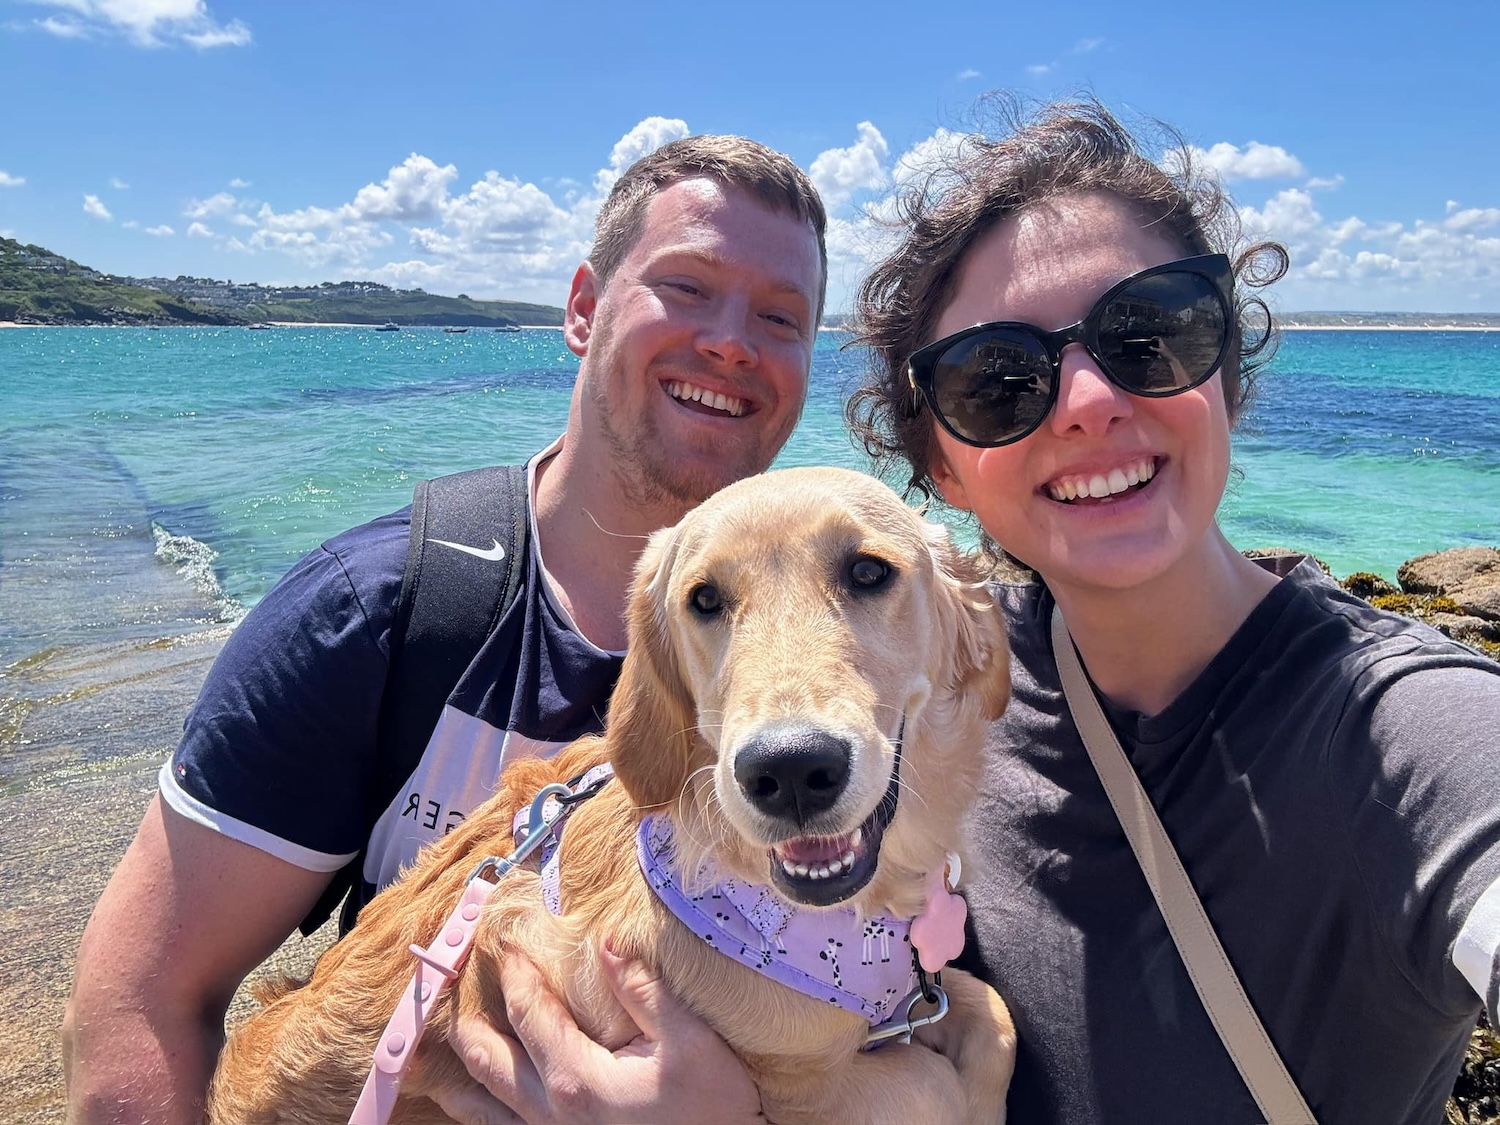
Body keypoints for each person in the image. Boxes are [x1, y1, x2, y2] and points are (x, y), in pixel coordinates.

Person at [62, 134, 828, 1124]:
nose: (733, 341)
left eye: (781, 316)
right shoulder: (380, 618)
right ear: (584, 309)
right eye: (685, 287)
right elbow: (143, 997)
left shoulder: (848, 671)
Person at [845, 97, 1500, 1122]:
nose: (1088, 399)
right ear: (944, 467)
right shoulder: (942, 682)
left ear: (1225, 375)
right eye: (999, 380)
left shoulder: (1400, 729)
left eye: (1148, 334)